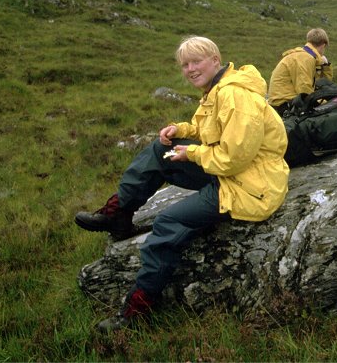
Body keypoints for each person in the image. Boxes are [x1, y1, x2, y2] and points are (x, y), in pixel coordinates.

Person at [74, 36, 290, 332]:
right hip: (232, 172)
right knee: (159, 151)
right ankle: (118, 215)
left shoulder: (234, 96)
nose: (189, 69)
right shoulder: (216, 89)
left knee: (167, 223)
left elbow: (234, 158)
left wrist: (192, 153)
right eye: (184, 64)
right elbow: (207, 131)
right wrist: (181, 131)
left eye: (196, 61)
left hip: (248, 185)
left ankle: (137, 311)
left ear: (215, 59)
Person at [267, 28, 332, 115]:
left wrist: (325, 66)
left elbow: (323, 84)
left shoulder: (305, 56)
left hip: (284, 100)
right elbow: (304, 91)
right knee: (330, 109)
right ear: (323, 45)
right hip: (284, 104)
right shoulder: (305, 58)